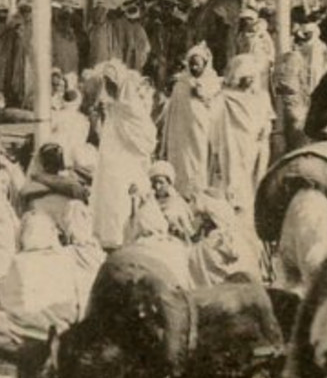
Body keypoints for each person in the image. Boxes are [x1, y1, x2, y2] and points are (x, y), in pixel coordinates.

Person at [0, 213, 88, 352]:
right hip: (61, 331)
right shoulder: (67, 260)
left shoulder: (20, 262)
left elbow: (7, 301)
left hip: (28, 332)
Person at [90, 61, 158, 250]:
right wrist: (101, 118)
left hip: (128, 164)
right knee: (108, 199)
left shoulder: (132, 109)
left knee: (125, 198)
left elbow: (147, 137)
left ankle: (128, 237)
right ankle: (109, 239)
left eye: (112, 83)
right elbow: (104, 135)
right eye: (107, 83)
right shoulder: (110, 108)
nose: (109, 88)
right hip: (109, 163)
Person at [161, 42, 225, 199]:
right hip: (182, 137)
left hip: (202, 133)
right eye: (191, 64)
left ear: (205, 64)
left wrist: (203, 96)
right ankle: (183, 193)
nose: (194, 68)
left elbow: (218, 110)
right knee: (184, 165)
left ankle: (199, 194)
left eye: (198, 64)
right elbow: (172, 113)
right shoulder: (181, 84)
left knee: (201, 164)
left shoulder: (214, 84)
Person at [216, 53, 272, 216]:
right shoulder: (227, 97)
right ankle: (235, 200)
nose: (249, 80)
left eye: (252, 77)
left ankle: (250, 201)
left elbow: (267, 116)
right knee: (234, 168)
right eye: (245, 77)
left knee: (251, 170)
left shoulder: (262, 96)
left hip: (254, 141)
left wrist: (266, 128)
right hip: (234, 138)